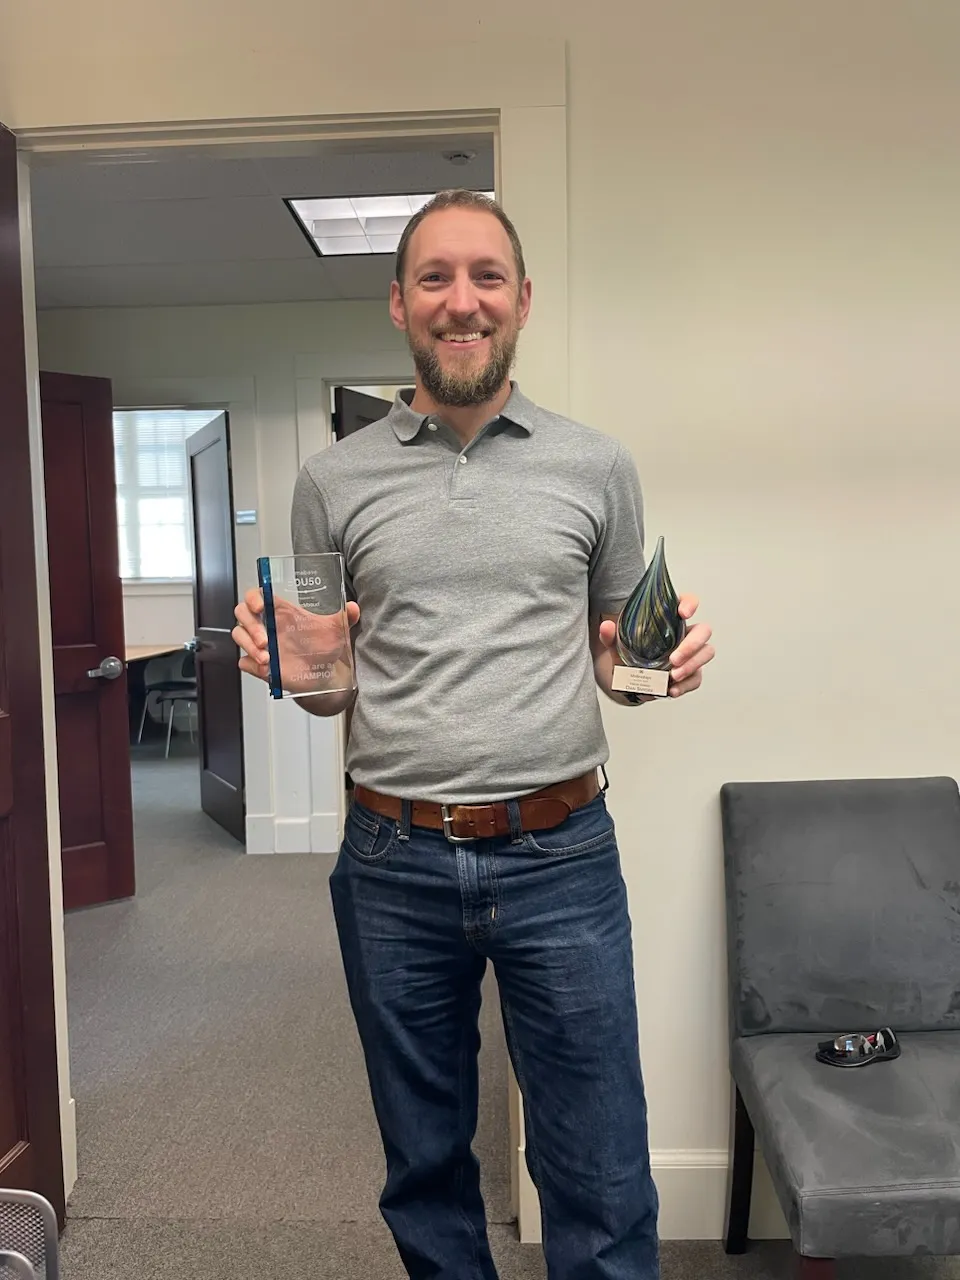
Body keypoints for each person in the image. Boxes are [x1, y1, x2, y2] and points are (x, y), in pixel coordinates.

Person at [232, 189, 715, 1280]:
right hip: (392, 859)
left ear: (523, 300)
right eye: (437, 279)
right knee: (425, 1163)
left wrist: (660, 667)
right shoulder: (332, 480)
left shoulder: (596, 465)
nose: (464, 302)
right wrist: (289, 666)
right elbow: (329, 686)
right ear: (399, 302)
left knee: (597, 1165)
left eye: (486, 277)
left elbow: (617, 657)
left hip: (563, 855)